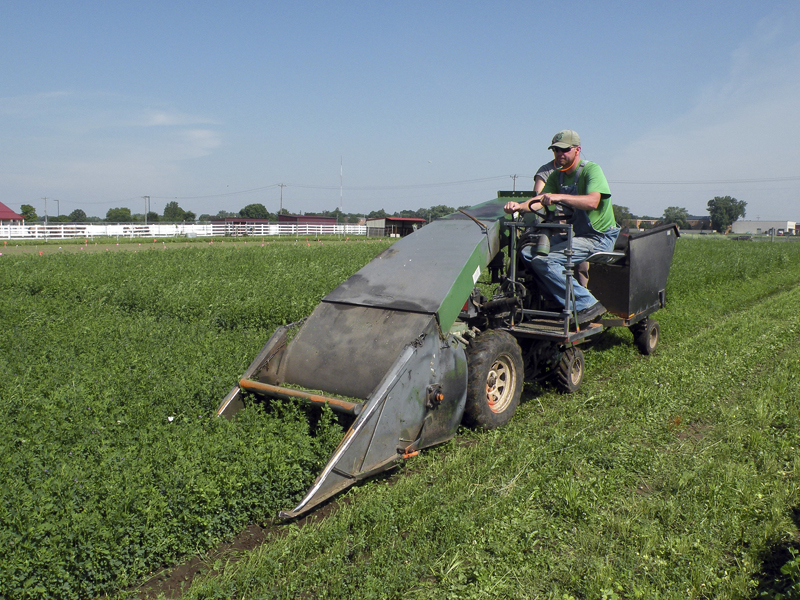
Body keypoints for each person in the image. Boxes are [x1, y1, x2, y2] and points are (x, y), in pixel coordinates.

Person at [504, 130, 619, 323]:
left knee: (546, 261)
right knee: (527, 254)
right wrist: (519, 206)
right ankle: (557, 300)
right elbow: (540, 199)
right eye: (556, 150)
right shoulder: (557, 176)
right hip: (578, 234)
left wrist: (560, 197)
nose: (559, 154)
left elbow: (593, 202)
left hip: (599, 237)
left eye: (564, 150)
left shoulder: (591, 170)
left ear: (577, 150)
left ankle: (587, 304)